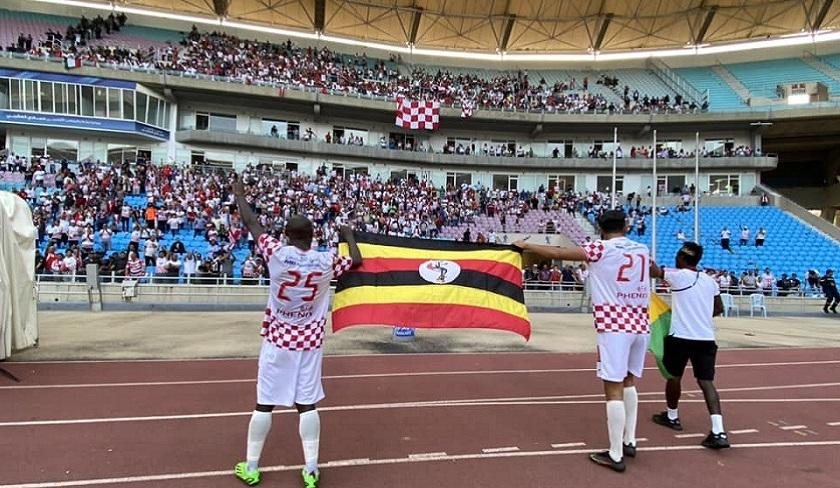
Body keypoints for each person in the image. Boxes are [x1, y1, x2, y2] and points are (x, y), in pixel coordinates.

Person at [232, 174, 363, 488]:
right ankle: (311, 469)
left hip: (277, 339)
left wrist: (239, 194)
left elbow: (252, 223)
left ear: (286, 235)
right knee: (307, 404)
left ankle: (251, 466)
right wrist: (347, 234)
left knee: (265, 402)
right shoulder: (326, 260)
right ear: (313, 234)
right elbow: (356, 260)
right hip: (310, 342)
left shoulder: (276, 253)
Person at [514, 210, 650, 473]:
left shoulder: (600, 247)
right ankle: (629, 439)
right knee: (630, 381)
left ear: (600, 228)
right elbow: (654, 270)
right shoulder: (642, 248)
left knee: (613, 388)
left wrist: (526, 244)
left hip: (614, 325)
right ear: (626, 225)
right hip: (641, 323)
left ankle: (616, 453)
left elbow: (557, 254)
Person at [649, 242, 729, 449]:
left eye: (678, 256)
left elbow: (653, 270)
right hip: (705, 337)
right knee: (706, 382)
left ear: (682, 259)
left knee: (673, 377)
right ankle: (719, 431)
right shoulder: (710, 281)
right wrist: (700, 315)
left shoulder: (678, 275)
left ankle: (672, 416)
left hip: (681, 337)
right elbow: (719, 307)